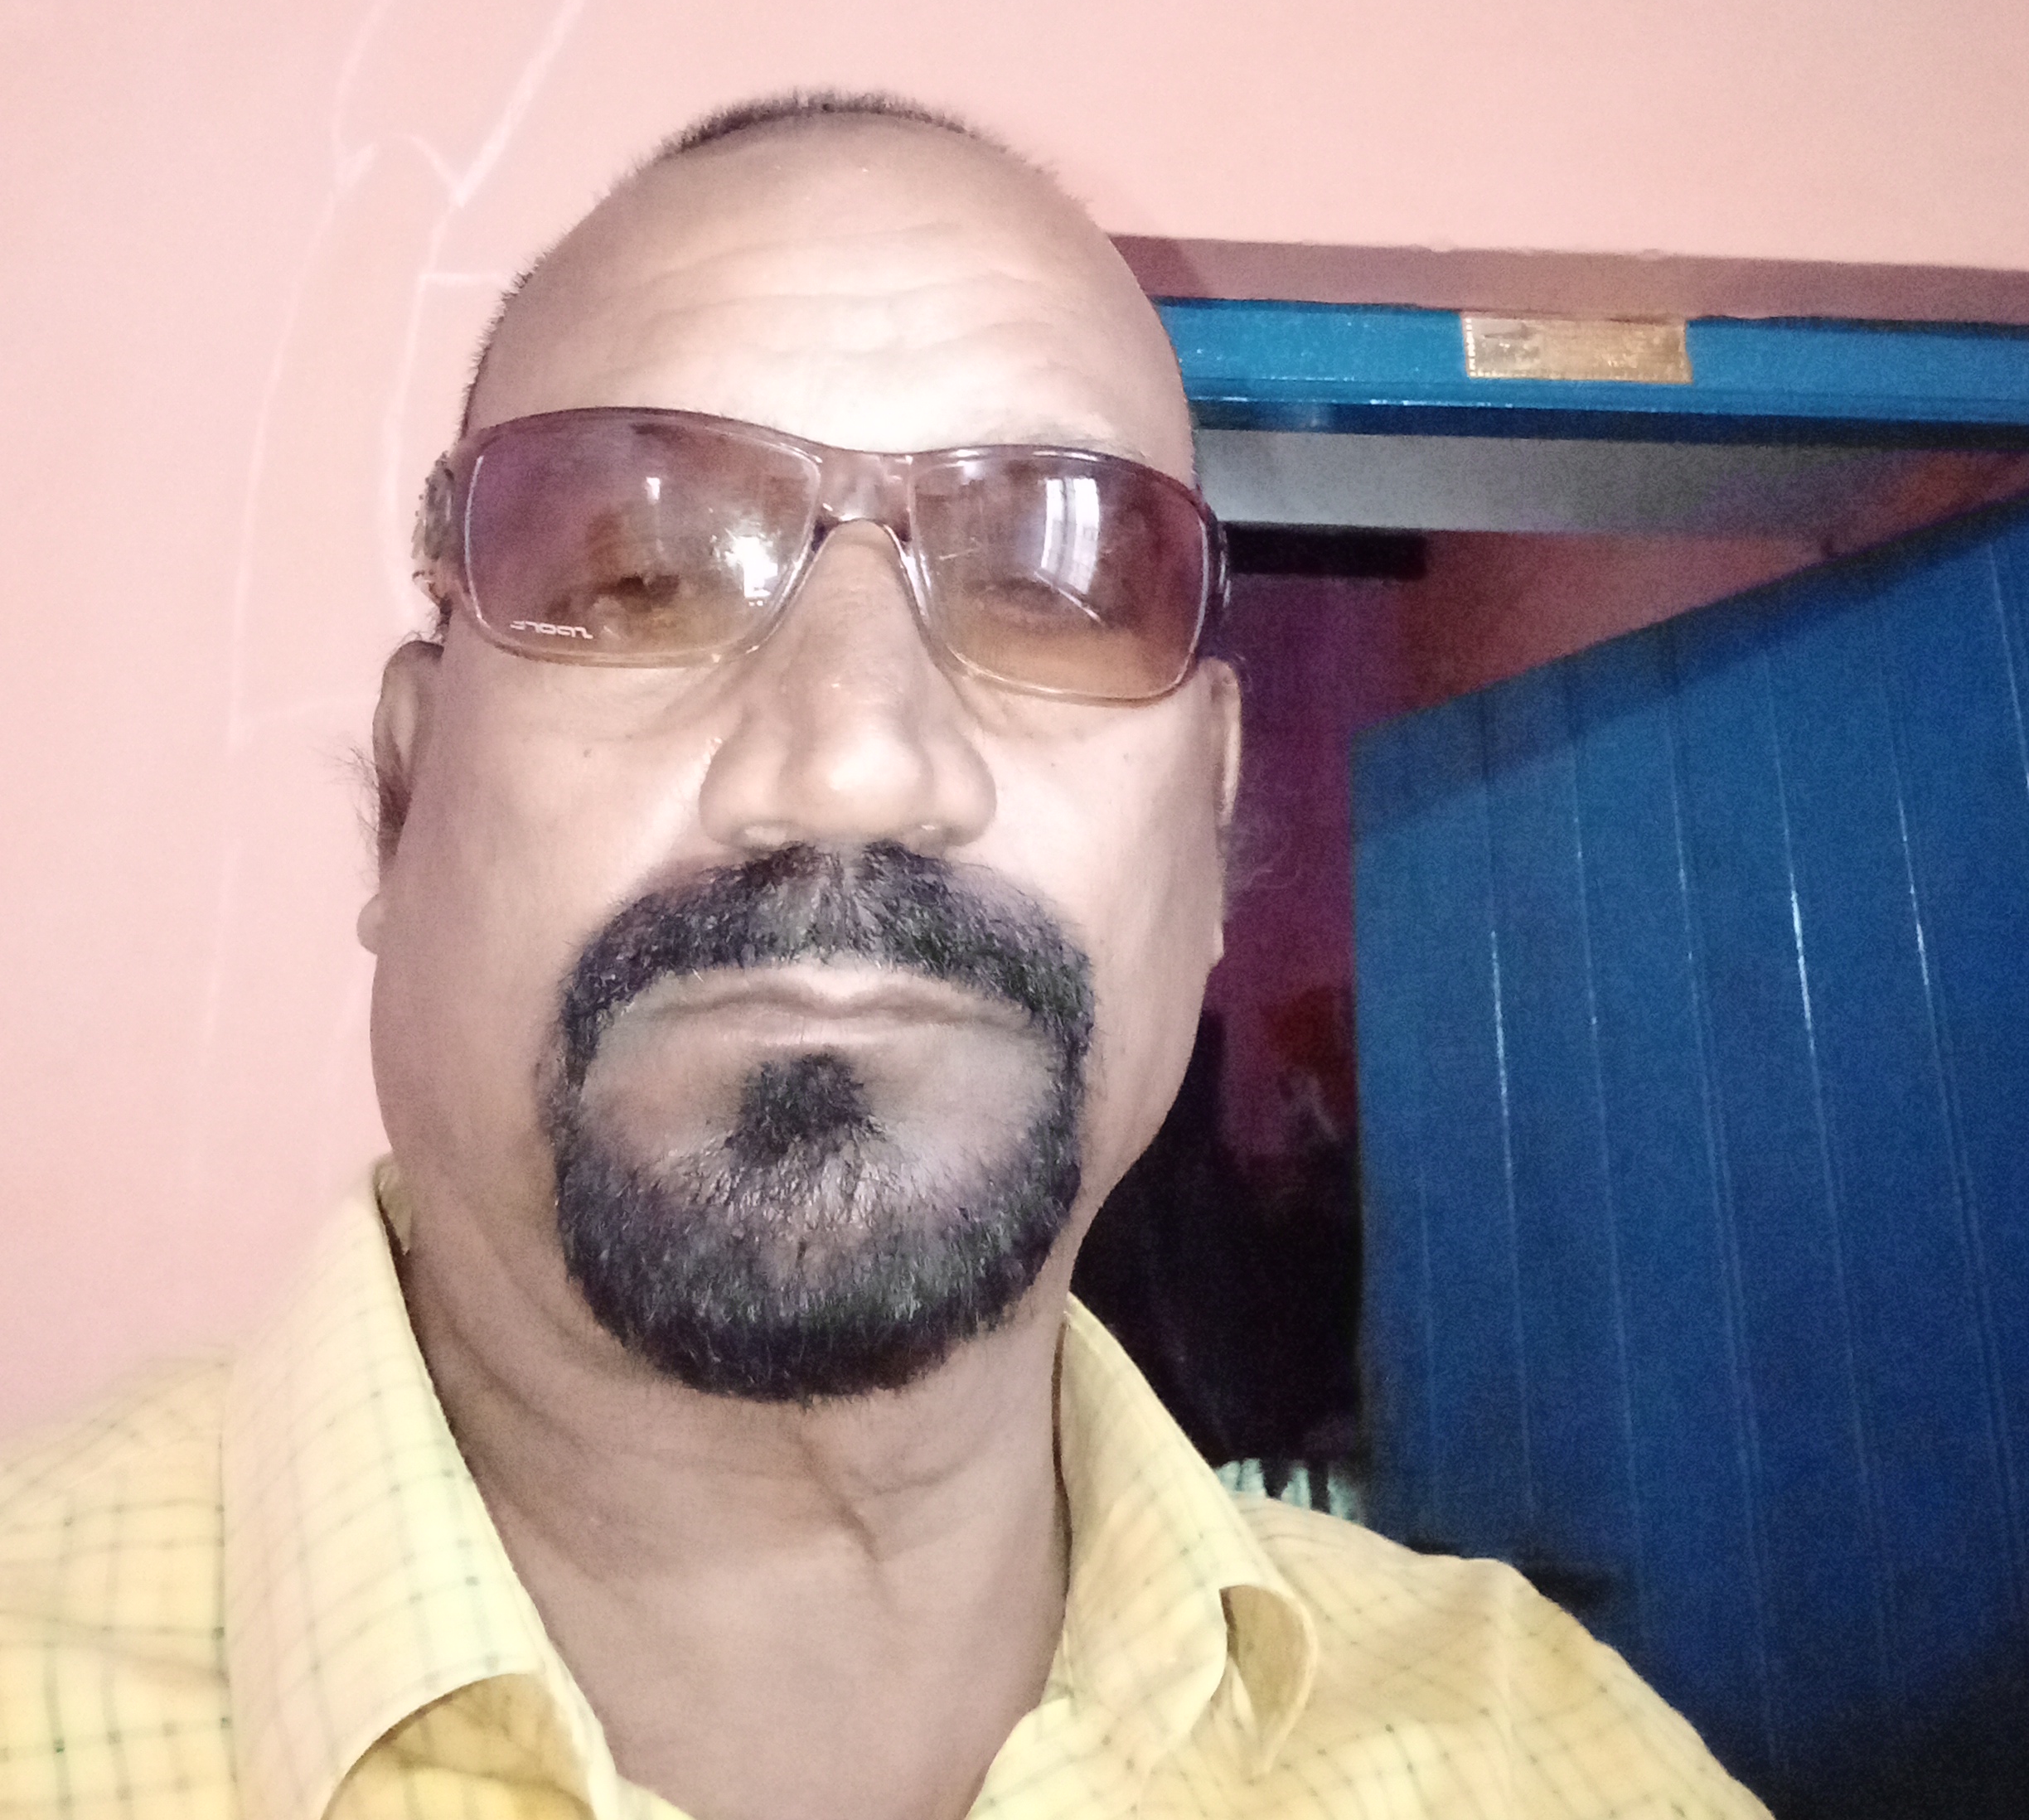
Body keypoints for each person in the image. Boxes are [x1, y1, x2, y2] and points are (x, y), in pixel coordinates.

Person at [0, 93, 1764, 1820]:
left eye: (1051, 590)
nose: (854, 759)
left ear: (1212, 826)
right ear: (406, 795)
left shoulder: (1552, 1761)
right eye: (641, 579)